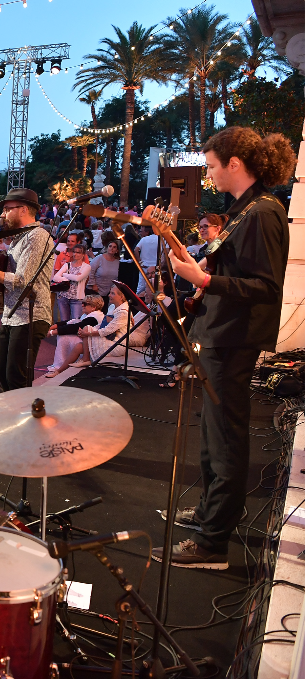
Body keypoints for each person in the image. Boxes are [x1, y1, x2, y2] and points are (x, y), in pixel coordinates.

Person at [158, 126, 295, 569]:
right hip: (217, 333)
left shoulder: (263, 213)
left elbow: (265, 285)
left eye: (212, 166)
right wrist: (195, 268)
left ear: (234, 164)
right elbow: (226, 265)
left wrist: (203, 280)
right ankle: (208, 514)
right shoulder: (242, 211)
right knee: (213, 434)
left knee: (227, 437)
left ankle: (213, 542)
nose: (209, 175)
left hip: (232, 338)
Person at [0, 188, 54, 391]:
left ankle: (23, 420)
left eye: (7, 209)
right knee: (3, 375)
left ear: (23, 210)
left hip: (30, 316)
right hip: (11, 313)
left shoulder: (37, 236)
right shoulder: (18, 238)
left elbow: (23, 280)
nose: (3, 215)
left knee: (17, 378)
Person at [43, 295, 105, 377]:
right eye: (82, 303)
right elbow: (69, 322)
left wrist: (52, 333)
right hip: (87, 340)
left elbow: (75, 327)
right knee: (65, 333)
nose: (82, 305)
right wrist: (50, 328)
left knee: (64, 337)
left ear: (93, 307)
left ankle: (59, 366)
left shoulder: (95, 317)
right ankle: (61, 365)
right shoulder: (89, 315)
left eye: (85, 304)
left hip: (92, 343)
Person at [52, 245, 91, 322]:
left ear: (83, 254)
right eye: (74, 252)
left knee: (76, 322)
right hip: (63, 296)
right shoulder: (67, 264)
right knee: (64, 322)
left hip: (76, 299)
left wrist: (64, 274)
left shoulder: (86, 267)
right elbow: (55, 278)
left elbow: (78, 278)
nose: (75, 254)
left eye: (78, 252)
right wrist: (70, 277)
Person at [89, 240, 121, 311]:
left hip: (108, 292)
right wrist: (93, 284)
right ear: (107, 248)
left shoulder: (117, 262)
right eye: (110, 246)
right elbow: (90, 271)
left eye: (114, 247)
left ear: (117, 250)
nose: (112, 248)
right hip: (96, 290)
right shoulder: (99, 258)